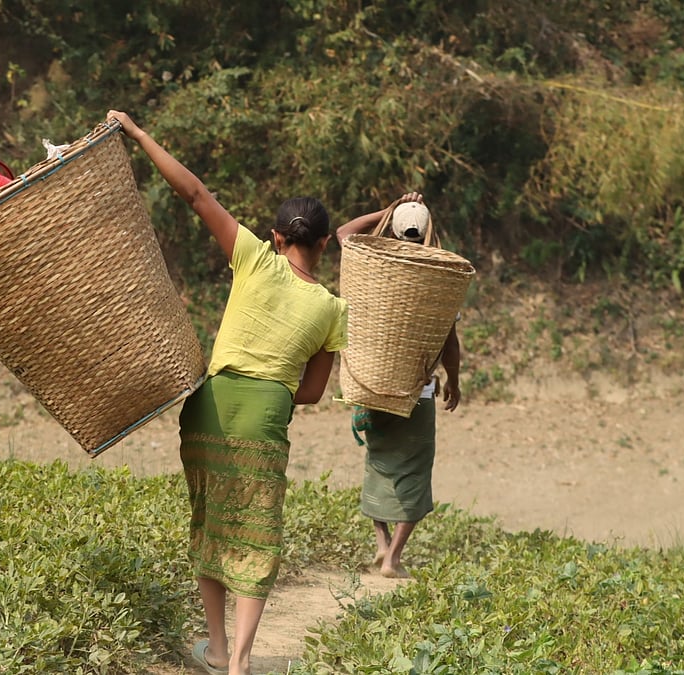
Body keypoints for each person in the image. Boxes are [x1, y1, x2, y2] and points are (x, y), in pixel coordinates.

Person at [107, 110, 348, 675]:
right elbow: (312, 394)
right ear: (325, 243)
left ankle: (214, 649)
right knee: (257, 531)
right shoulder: (333, 310)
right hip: (265, 415)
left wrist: (140, 134)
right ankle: (241, 661)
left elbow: (194, 194)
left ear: (277, 237)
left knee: (210, 521)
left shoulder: (253, 258)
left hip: (209, 406)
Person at [335, 192, 462, 579]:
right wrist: (454, 381)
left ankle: (380, 545)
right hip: (416, 393)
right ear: (426, 233)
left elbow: (343, 231)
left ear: (390, 227)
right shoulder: (440, 279)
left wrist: (388, 206)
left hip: (370, 386)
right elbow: (449, 342)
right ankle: (393, 558)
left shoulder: (372, 268)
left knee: (379, 466)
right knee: (415, 472)